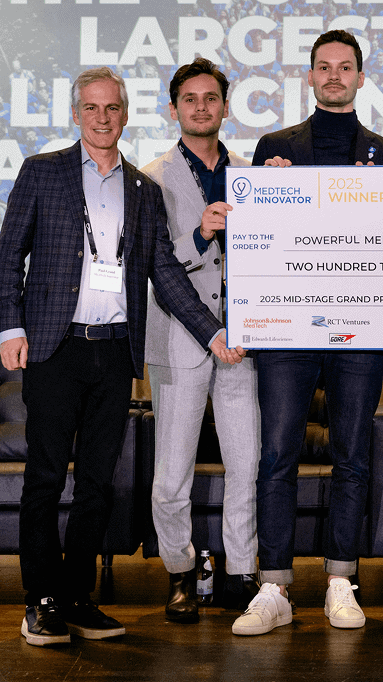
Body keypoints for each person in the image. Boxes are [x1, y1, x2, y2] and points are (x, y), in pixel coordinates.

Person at [0, 67, 244, 647]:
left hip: (113, 355)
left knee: (98, 485)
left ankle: (79, 598)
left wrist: (212, 335)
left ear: (126, 115)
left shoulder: (143, 189)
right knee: (46, 478)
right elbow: (10, 257)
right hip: (53, 348)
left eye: (113, 108)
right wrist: (10, 326)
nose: (103, 118)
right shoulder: (43, 173)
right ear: (76, 114)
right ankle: (41, 601)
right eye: (92, 108)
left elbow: (167, 275)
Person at [231, 30, 383, 636]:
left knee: (351, 456)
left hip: (360, 330)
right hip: (287, 331)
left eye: (346, 67)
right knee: (277, 453)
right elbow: (254, 244)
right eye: (324, 67)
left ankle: (340, 580)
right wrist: (269, 192)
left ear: (361, 78)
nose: (335, 76)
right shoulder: (273, 149)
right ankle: (274, 586)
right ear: (310, 77)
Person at [141, 59, 261, 624]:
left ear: (224, 106)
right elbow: (157, 266)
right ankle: (181, 573)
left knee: (246, 467)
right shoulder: (150, 177)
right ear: (174, 109)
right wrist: (202, 233)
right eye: (189, 99)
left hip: (242, 345)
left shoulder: (250, 174)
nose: (201, 107)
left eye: (211, 98)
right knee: (171, 476)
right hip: (182, 344)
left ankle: (241, 571)